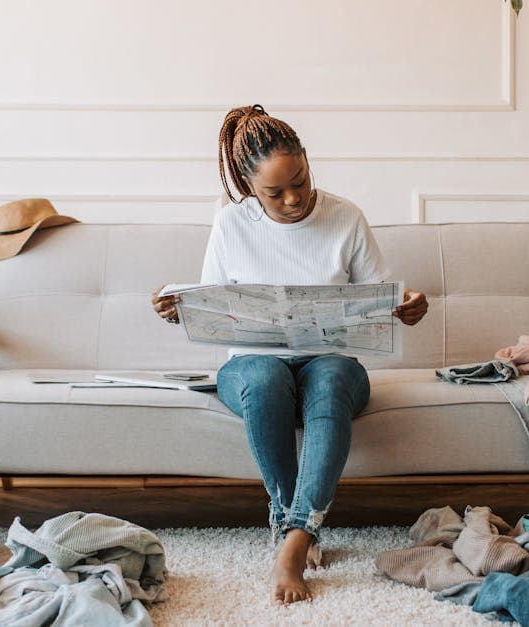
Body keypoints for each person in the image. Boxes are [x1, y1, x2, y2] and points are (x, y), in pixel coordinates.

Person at [151, 104, 428, 605]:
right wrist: (178, 310)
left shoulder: (345, 217)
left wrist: (405, 307)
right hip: (253, 367)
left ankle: (296, 537)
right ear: (246, 184)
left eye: (299, 179)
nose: (294, 198)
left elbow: (378, 299)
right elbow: (212, 303)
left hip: (331, 363)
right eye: (274, 192)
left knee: (331, 379)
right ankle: (287, 515)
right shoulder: (232, 224)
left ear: (306, 159)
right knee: (264, 377)